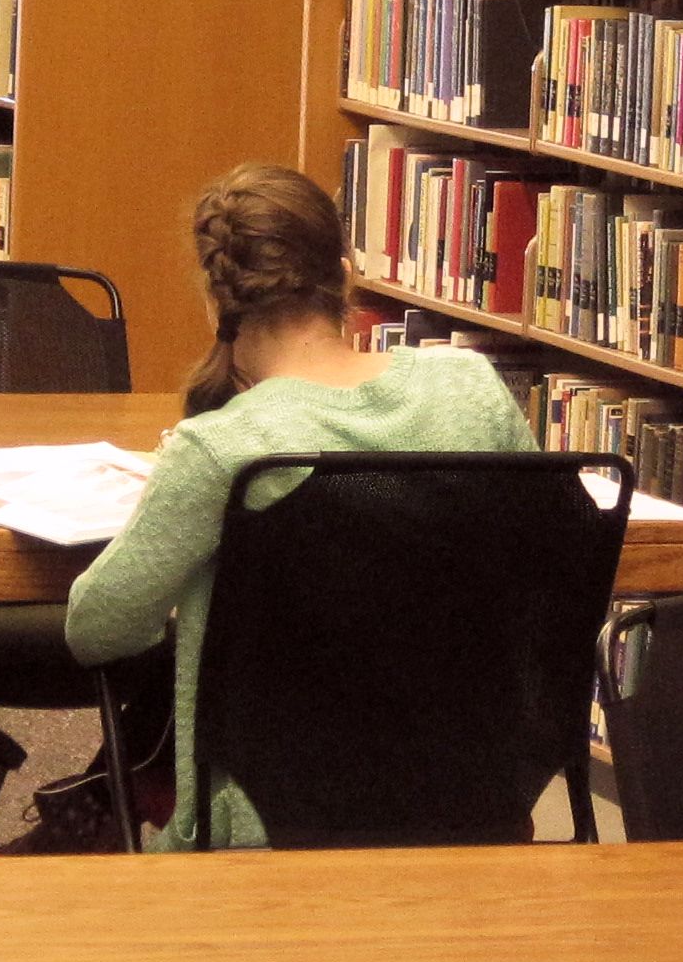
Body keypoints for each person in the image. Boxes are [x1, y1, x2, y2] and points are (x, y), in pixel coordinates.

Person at [60, 161, 535, 850]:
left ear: (214, 304)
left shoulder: (227, 448)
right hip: (474, 809)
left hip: (271, 835)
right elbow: (535, 561)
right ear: (345, 275)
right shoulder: (472, 389)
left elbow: (99, 628)